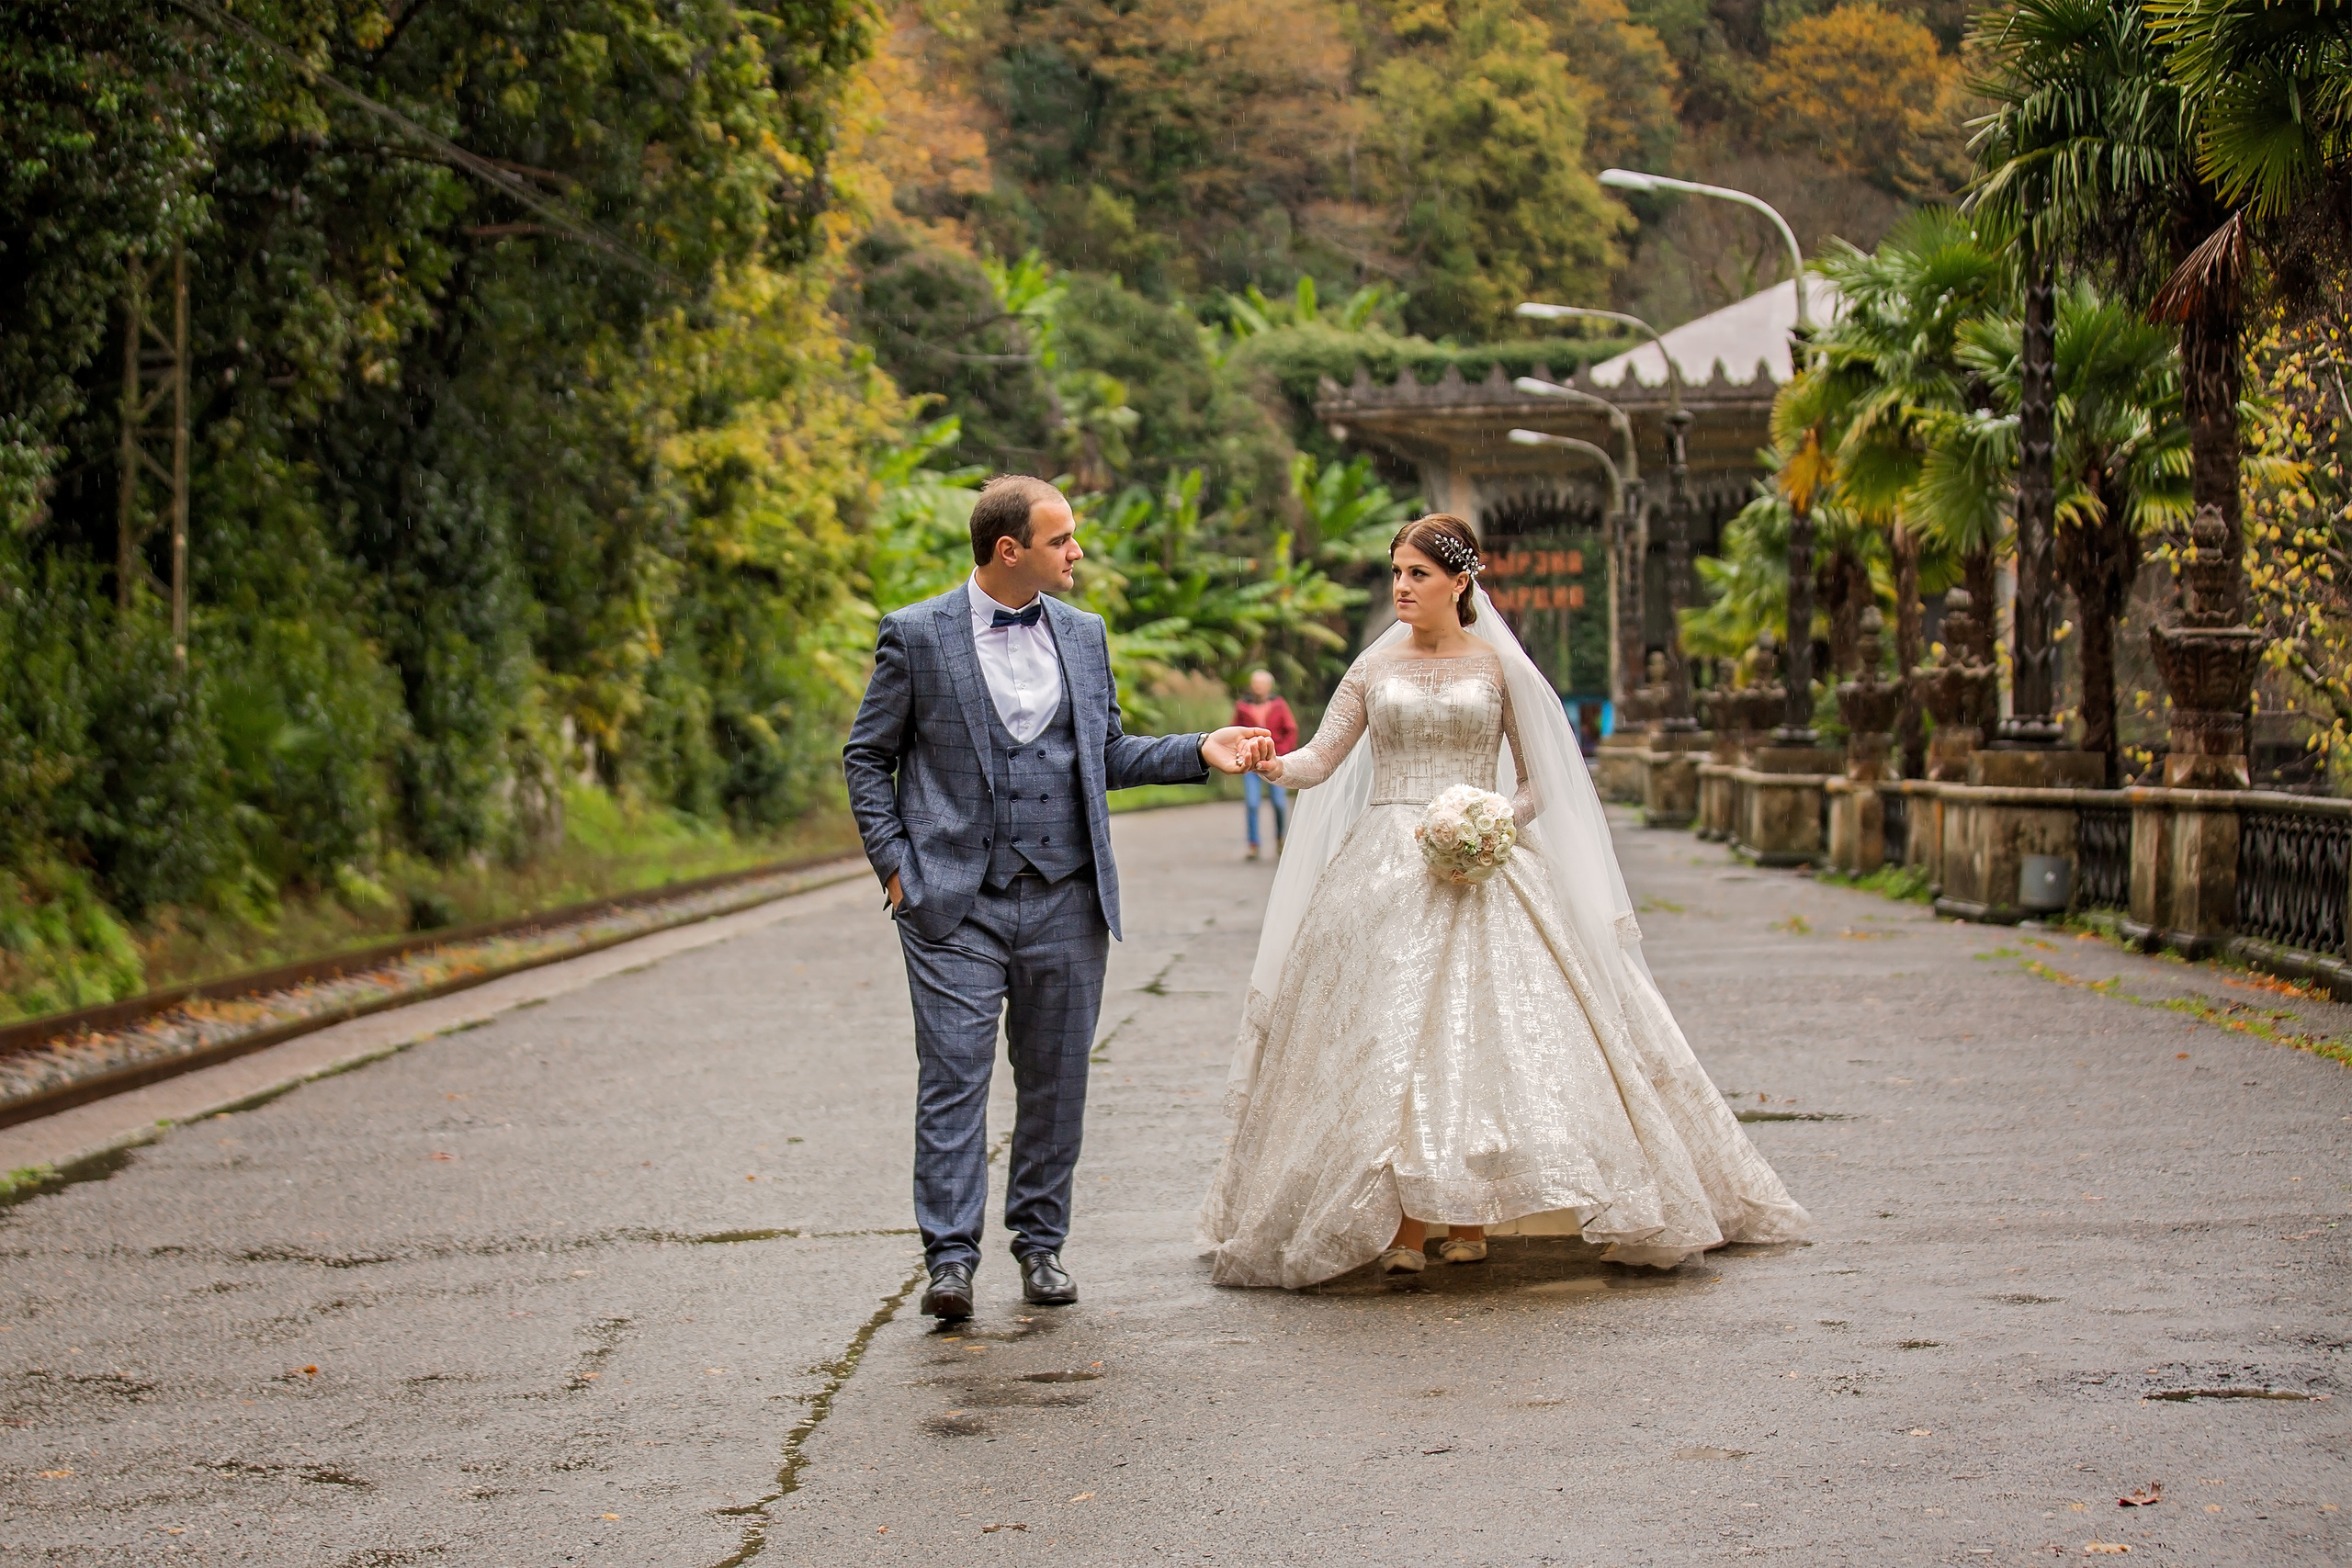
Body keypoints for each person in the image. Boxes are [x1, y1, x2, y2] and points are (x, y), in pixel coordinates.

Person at [1197, 514, 1810, 1288]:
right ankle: (1404, 1222)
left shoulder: (1498, 668)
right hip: (1384, 865)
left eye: (1417, 574)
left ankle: (1471, 1218)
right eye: (1395, 573)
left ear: (1461, 583)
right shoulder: (1369, 669)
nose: (1401, 588)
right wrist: (1266, 764)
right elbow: (1319, 760)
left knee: (1483, 1035)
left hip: (1486, 865)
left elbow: (1539, 780)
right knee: (1392, 1040)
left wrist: (1489, 819)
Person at [844, 475, 1272, 1322]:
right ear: (1011, 550)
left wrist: (1199, 748)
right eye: (1062, 538)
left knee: (1055, 1082)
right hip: (952, 904)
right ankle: (951, 1261)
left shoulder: (1084, 634)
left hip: (1067, 898)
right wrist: (897, 866)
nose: (1077, 551)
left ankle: (1040, 1246)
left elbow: (1104, 753)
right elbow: (868, 757)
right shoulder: (917, 634)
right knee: (954, 1080)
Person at [1232, 670, 1298, 859]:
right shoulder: (1242, 706)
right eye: (1254, 683)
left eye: (1260, 683)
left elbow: (1291, 730)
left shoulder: (1279, 705)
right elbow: (1233, 730)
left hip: (1274, 761)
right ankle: (1253, 844)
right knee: (1252, 803)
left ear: (1269, 686)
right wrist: (1240, 751)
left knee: (1278, 803)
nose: (1257, 687)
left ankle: (1279, 837)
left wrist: (1282, 752)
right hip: (1250, 762)